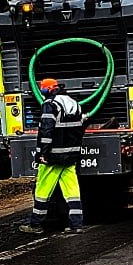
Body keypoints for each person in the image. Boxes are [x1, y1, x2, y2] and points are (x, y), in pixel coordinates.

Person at [31, 77, 86, 230]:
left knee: (42, 190)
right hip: (71, 156)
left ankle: (35, 224)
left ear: (48, 89)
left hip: (53, 157)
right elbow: (80, 128)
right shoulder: (74, 103)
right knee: (72, 191)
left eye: (42, 88)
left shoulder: (50, 105)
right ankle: (77, 224)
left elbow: (46, 131)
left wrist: (43, 153)